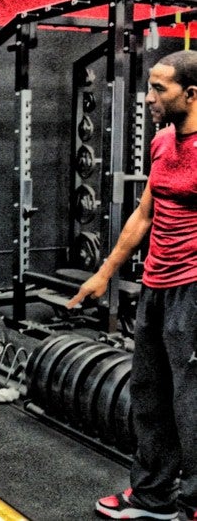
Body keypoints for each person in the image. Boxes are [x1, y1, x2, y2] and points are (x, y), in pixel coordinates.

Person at [67, 50, 197, 521]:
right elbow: (144, 214)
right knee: (150, 393)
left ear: (191, 94)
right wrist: (104, 273)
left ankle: (194, 505)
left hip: (193, 288)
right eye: (149, 88)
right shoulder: (163, 142)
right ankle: (152, 496)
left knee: (192, 401)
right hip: (156, 283)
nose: (148, 98)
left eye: (159, 89)